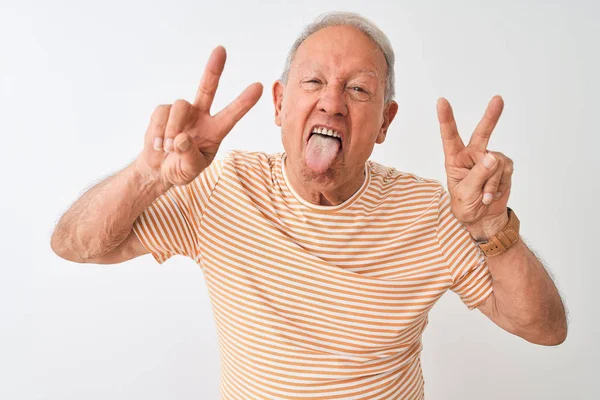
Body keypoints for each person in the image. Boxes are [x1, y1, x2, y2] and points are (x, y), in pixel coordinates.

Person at [51, 11, 567, 399]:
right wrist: (147, 175)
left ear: (386, 122)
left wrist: (492, 226)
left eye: (359, 89)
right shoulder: (221, 187)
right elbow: (74, 244)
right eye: (314, 81)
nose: (332, 101)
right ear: (280, 103)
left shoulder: (431, 214)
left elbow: (544, 329)